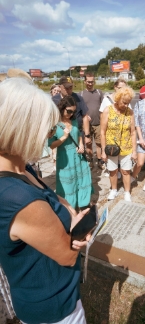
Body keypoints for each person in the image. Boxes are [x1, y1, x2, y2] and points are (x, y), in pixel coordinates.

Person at [0, 77, 90, 323]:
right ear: (20, 130)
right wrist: (79, 232)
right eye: (47, 128)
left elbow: (52, 195)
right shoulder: (16, 198)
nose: (49, 135)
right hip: (53, 306)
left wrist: (70, 210)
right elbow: (67, 255)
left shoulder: (20, 166)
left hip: (47, 294)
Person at [49, 95, 92, 209]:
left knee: (82, 179)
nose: (71, 114)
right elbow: (51, 145)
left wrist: (81, 144)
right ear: (62, 108)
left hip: (78, 156)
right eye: (69, 111)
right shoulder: (54, 124)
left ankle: (83, 203)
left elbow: (78, 135)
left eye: (73, 112)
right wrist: (63, 138)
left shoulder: (73, 121)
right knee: (68, 184)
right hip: (65, 157)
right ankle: (69, 207)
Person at [101, 86, 137, 202]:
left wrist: (134, 151)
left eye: (128, 103)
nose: (126, 105)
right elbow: (102, 132)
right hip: (111, 147)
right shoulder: (108, 110)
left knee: (126, 171)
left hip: (126, 147)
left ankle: (127, 192)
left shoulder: (130, 112)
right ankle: (114, 190)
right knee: (113, 171)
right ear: (118, 98)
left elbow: (133, 132)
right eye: (124, 102)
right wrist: (103, 151)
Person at [52, 76, 91, 147]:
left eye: (71, 88)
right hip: (60, 134)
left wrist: (87, 135)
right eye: (66, 88)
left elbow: (85, 116)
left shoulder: (79, 98)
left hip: (77, 133)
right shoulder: (54, 100)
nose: (69, 90)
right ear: (60, 87)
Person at [79, 72, 104, 169]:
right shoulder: (81, 94)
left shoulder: (99, 92)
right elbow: (79, 109)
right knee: (88, 144)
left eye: (92, 82)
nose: (90, 83)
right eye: (88, 82)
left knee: (99, 144)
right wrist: (84, 116)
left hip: (98, 123)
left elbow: (104, 107)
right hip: (87, 125)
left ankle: (99, 161)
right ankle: (90, 161)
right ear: (85, 81)